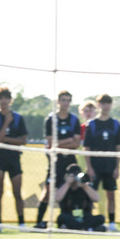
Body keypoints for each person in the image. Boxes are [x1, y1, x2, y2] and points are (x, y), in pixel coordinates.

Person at [36, 91, 83, 229]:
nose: (66, 103)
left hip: (70, 162)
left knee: (69, 190)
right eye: (63, 100)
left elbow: (77, 143)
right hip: (55, 162)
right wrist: (68, 140)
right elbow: (51, 144)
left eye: (68, 100)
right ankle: (38, 221)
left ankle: (66, 222)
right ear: (58, 101)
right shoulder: (51, 119)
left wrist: (62, 143)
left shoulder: (74, 119)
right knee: (48, 191)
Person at [0, 87, 28, 229]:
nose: (3, 101)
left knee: (17, 192)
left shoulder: (18, 118)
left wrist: (6, 139)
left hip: (14, 159)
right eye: (0, 98)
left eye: (6, 98)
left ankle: (21, 223)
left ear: (10, 100)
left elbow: (23, 140)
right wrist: (6, 124)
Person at [83, 94, 120, 231]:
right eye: (103, 103)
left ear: (111, 105)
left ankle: (112, 223)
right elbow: (87, 147)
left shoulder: (115, 124)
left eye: (108, 103)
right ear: (98, 105)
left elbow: (119, 147)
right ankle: (88, 223)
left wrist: (117, 167)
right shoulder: (92, 124)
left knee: (111, 195)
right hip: (95, 167)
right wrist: (89, 167)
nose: (105, 106)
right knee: (90, 195)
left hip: (110, 166)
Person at [53, 163, 104, 231]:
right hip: (69, 216)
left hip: (85, 216)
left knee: (101, 218)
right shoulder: (64, 186)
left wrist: (85, 186)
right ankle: (87, 229)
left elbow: (97, 199)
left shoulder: (86, 186)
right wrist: (68, 183)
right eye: (73, 175)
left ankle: (76, 228)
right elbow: (56, 199)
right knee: (61, 218)